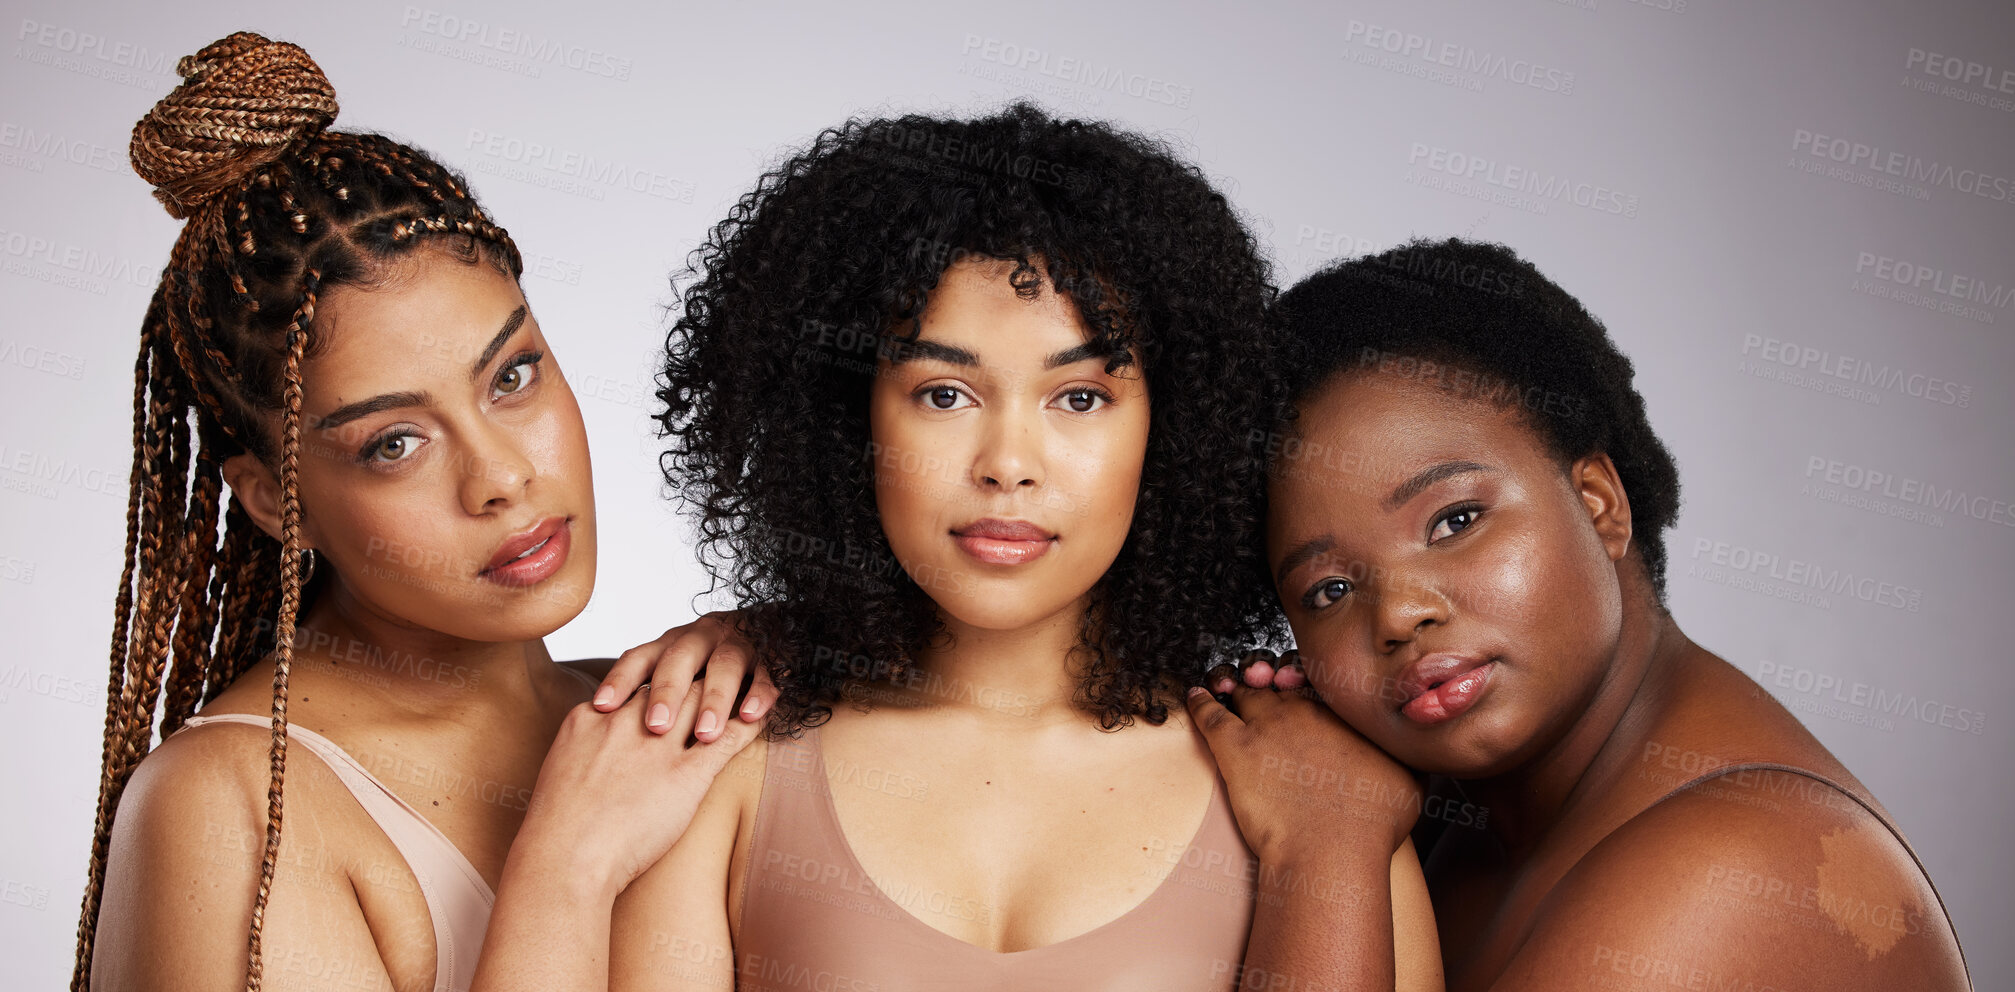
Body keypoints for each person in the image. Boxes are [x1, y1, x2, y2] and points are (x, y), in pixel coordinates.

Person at [583, 103, 1442, 992]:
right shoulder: (720, 763)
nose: (1006, 467)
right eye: (945, 394)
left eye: (1078, 398)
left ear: (1173, 429)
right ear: (848, 419)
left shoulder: (1309, 789)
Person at [74, 33, 769, 992]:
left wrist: (790, 643)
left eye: (512, 377)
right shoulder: (229, 809)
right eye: (393, 443)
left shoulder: (663, 712)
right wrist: (564, 871)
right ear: (280, 499)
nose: (499, 477)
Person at [1189, 238, 1972, 990]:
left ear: (1599, 504)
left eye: (1454, 521)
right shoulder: (1455, 813)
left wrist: (1324, 849)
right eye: (1327, 591)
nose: (1397, 614)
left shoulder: (1744, 866)